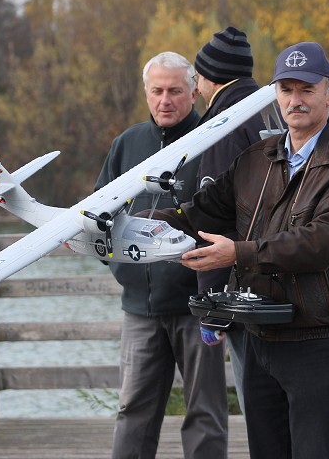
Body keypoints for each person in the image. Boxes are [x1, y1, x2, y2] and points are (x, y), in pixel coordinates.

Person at [150, 42, 329, 458]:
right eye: (287, 89)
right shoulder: (258, 156)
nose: (295, 100)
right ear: (275, 95)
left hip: (317, 336)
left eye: (306, 89)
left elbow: (322, 241)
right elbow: (202, 212)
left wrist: (239, 255)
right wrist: (134, 227)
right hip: (259, 333)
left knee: (317, 451)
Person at [94, 51, 228, 459]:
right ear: (146, 93)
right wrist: (119, 266)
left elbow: (232, 219)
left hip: (197, 306)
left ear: (193, 92)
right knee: (133, 410)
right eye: (157, 91)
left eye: (174, 90)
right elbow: (98, 214)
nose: (165, 100)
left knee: (205, 412)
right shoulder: (127, 144)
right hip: (139, 310)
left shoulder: (213, 141)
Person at [192, 26, 266, 415]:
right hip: (275, 278)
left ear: (211, 77)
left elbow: (213, 218)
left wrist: (212, 306)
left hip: (241, 289)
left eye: (198, 76)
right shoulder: (266, 111)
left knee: (259, 408)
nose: (197, 87)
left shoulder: (222, 127)